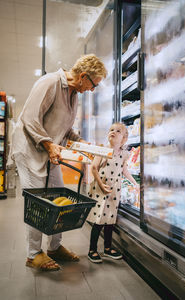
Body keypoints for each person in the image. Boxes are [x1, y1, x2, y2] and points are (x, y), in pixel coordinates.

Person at [10, 54, 107, 271]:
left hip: (49, 152)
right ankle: (33, 254)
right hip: (28, 150)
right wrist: (48, 144)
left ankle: (54, 247)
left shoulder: (73, 94)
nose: (92, 90)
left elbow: (65, 127)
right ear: (83, 76)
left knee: (59, 195)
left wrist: (81, 142)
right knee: (38, 200)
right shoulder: (50, 82)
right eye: (93, 84)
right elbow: (30, 118)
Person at [87, 122, 140, 263]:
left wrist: (135, 183)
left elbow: (124, 170)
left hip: (114, 191)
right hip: (101, 189)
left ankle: (107, 248)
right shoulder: (103, 150)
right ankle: (92, 249)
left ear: (124, 138)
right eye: (111, 130)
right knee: (99, 220)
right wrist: (101, 184)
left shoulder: (124, 154)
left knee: (110, 220)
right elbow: (94, 168)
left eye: (118, 131)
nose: (113, 132)